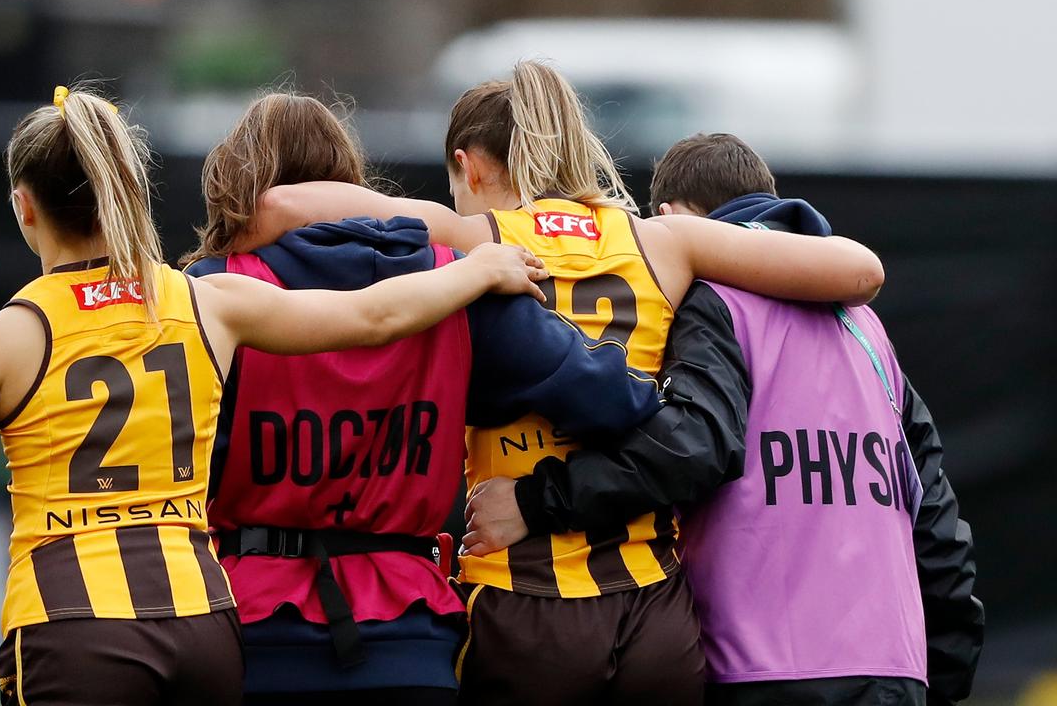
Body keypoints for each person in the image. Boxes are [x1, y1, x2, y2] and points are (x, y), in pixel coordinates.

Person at [0, 84, 554, 706]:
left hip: (72, 630)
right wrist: (478, 265)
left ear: (24, 207)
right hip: (204, 625)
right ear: (128, 188)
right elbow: (374, 317)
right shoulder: (203, 301)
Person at [249, 60, 884, 705]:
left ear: (469, 168)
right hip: (653, 604)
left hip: (521, 593)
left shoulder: (476, 237)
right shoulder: (663, 240)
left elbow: (283, 204)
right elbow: (859, 270)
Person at [179, 92, 663, 706]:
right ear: (347, 176)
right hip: (411, 637)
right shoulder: (457, 277)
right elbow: (607, 398)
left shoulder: (216, 292)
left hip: (255, 635)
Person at [466, 133, 985, 706]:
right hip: (892, 671)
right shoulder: (869, 331)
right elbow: (935, 525)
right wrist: (942, 675)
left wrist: (535, 501)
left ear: (666, 218)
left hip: (756, 669)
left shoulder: (714, 299)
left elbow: (689, 446)